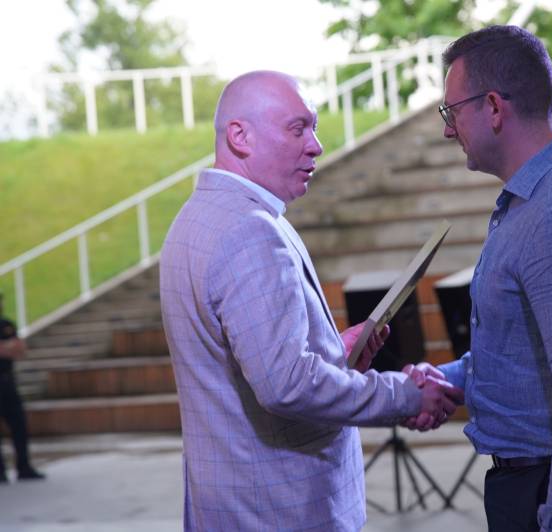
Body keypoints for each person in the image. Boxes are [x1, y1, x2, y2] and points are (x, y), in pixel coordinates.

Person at [159, 71, 463, 531]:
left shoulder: (197, 217)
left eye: (314, 128)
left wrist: (333, 352)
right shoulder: (250, 231)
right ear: (240, 136)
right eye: (297, 128)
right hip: (280, 512)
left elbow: (254, 360)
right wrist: (404, 395)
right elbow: (287, 386)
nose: (316, 146)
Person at [404, 25, 552, 531]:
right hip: (532, 480)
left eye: (451, 112)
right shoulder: (533, 203)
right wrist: (449, 379)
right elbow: (526, 354)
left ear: (494, 107)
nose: (448, 130)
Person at [0, 293, 45, 483]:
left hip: (7, 382)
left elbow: (20, 349)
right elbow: (9, 349)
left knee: (19, 425)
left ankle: (24, 467)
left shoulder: (6, 324)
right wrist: (7, 347)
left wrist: (6, 348)